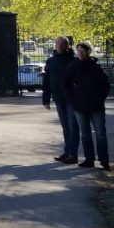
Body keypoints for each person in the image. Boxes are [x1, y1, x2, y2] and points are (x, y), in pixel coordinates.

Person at [63, 41, 111, 169]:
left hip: (96, 106)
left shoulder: (96, 67)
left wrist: (100, 99)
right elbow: (66, 85)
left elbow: (105, 85)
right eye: (78, 51)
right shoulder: (72, 67)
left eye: (83, 51)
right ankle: (89, 159)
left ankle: (104, 160)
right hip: (79, 105)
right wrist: (72, 99)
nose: (81, 53)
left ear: (88, 52)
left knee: (100, 133)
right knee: (85, 133)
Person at [42, 36, 80, 164]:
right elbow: (46, 81)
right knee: (65, 126)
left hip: (72, 98)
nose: (59, 46)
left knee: (72, 125)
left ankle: (73, 154)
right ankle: (67, 151)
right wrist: (45, 99)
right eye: (57, 44)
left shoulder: (74, 61)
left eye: (62, 44)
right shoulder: (51, 61)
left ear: (67, 46)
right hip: (58, 97)